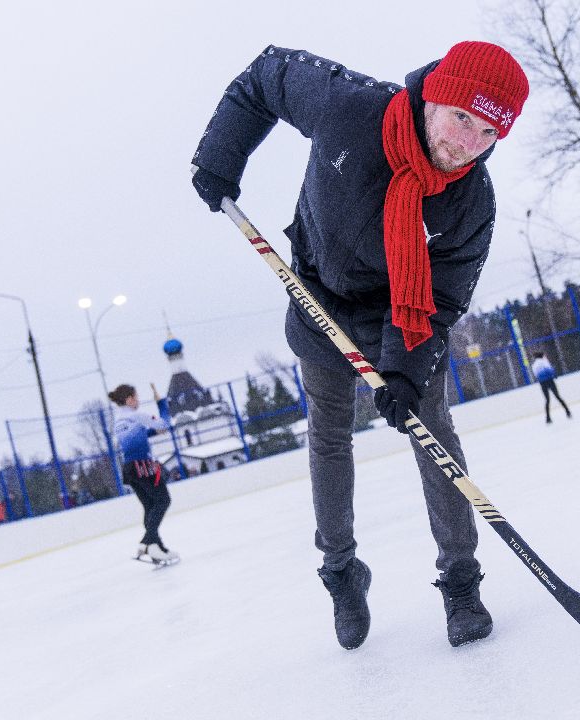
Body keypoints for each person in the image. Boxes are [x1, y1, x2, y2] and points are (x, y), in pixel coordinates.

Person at [191, 41, 529, 649]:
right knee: (328, 431)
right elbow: (267, 74)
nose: (468, 143)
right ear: (434, 98)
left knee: (432, 431)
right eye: (462, 119)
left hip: (405, 313)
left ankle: (461, 581)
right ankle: (342, 570)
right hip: (320, 290)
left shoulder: (470, 200)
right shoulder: (349, 107)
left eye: (488, 133)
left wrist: (401, 371)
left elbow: (441, 301)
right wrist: (222, 157)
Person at [109, 384, 179, 565]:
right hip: (143, 466)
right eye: (136, 397)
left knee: (150, 506)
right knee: (163, 501)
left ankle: (158, 548)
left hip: (129, 468)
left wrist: (153, 431)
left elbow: (136, 438)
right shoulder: (136, 415)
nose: (138, 401)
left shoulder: (119, 420)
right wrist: (161, 403)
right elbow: (165, 423)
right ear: (129, 399)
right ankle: (146, 542)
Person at [530, 351, 571, 423]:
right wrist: (554, 375)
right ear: (542, 356)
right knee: (558, 396)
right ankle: (567, 411)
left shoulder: (534, 365)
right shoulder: (544, 362)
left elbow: (536, 375)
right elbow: (549, 370)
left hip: (542, 383)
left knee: (547, 400)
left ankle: (548, 418)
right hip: (549, 380)